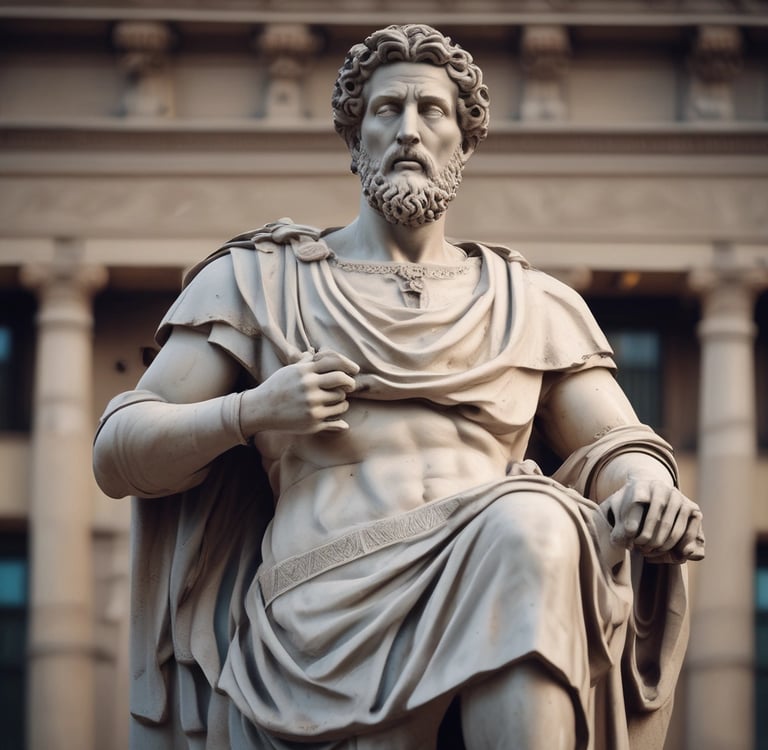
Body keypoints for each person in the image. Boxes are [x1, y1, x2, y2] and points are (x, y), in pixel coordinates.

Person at [93, 23, 704, 750]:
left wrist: (644, 485)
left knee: (532, 523)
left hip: (506, 575)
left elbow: (615, 444)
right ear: (356, 140)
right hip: (322, 614)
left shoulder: (530, 301)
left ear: (465, 142)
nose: (409, 130)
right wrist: (253, 410)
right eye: (387, 111)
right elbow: (118, 451)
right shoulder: (263, 281)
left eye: (432, 112)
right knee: (527, 528)